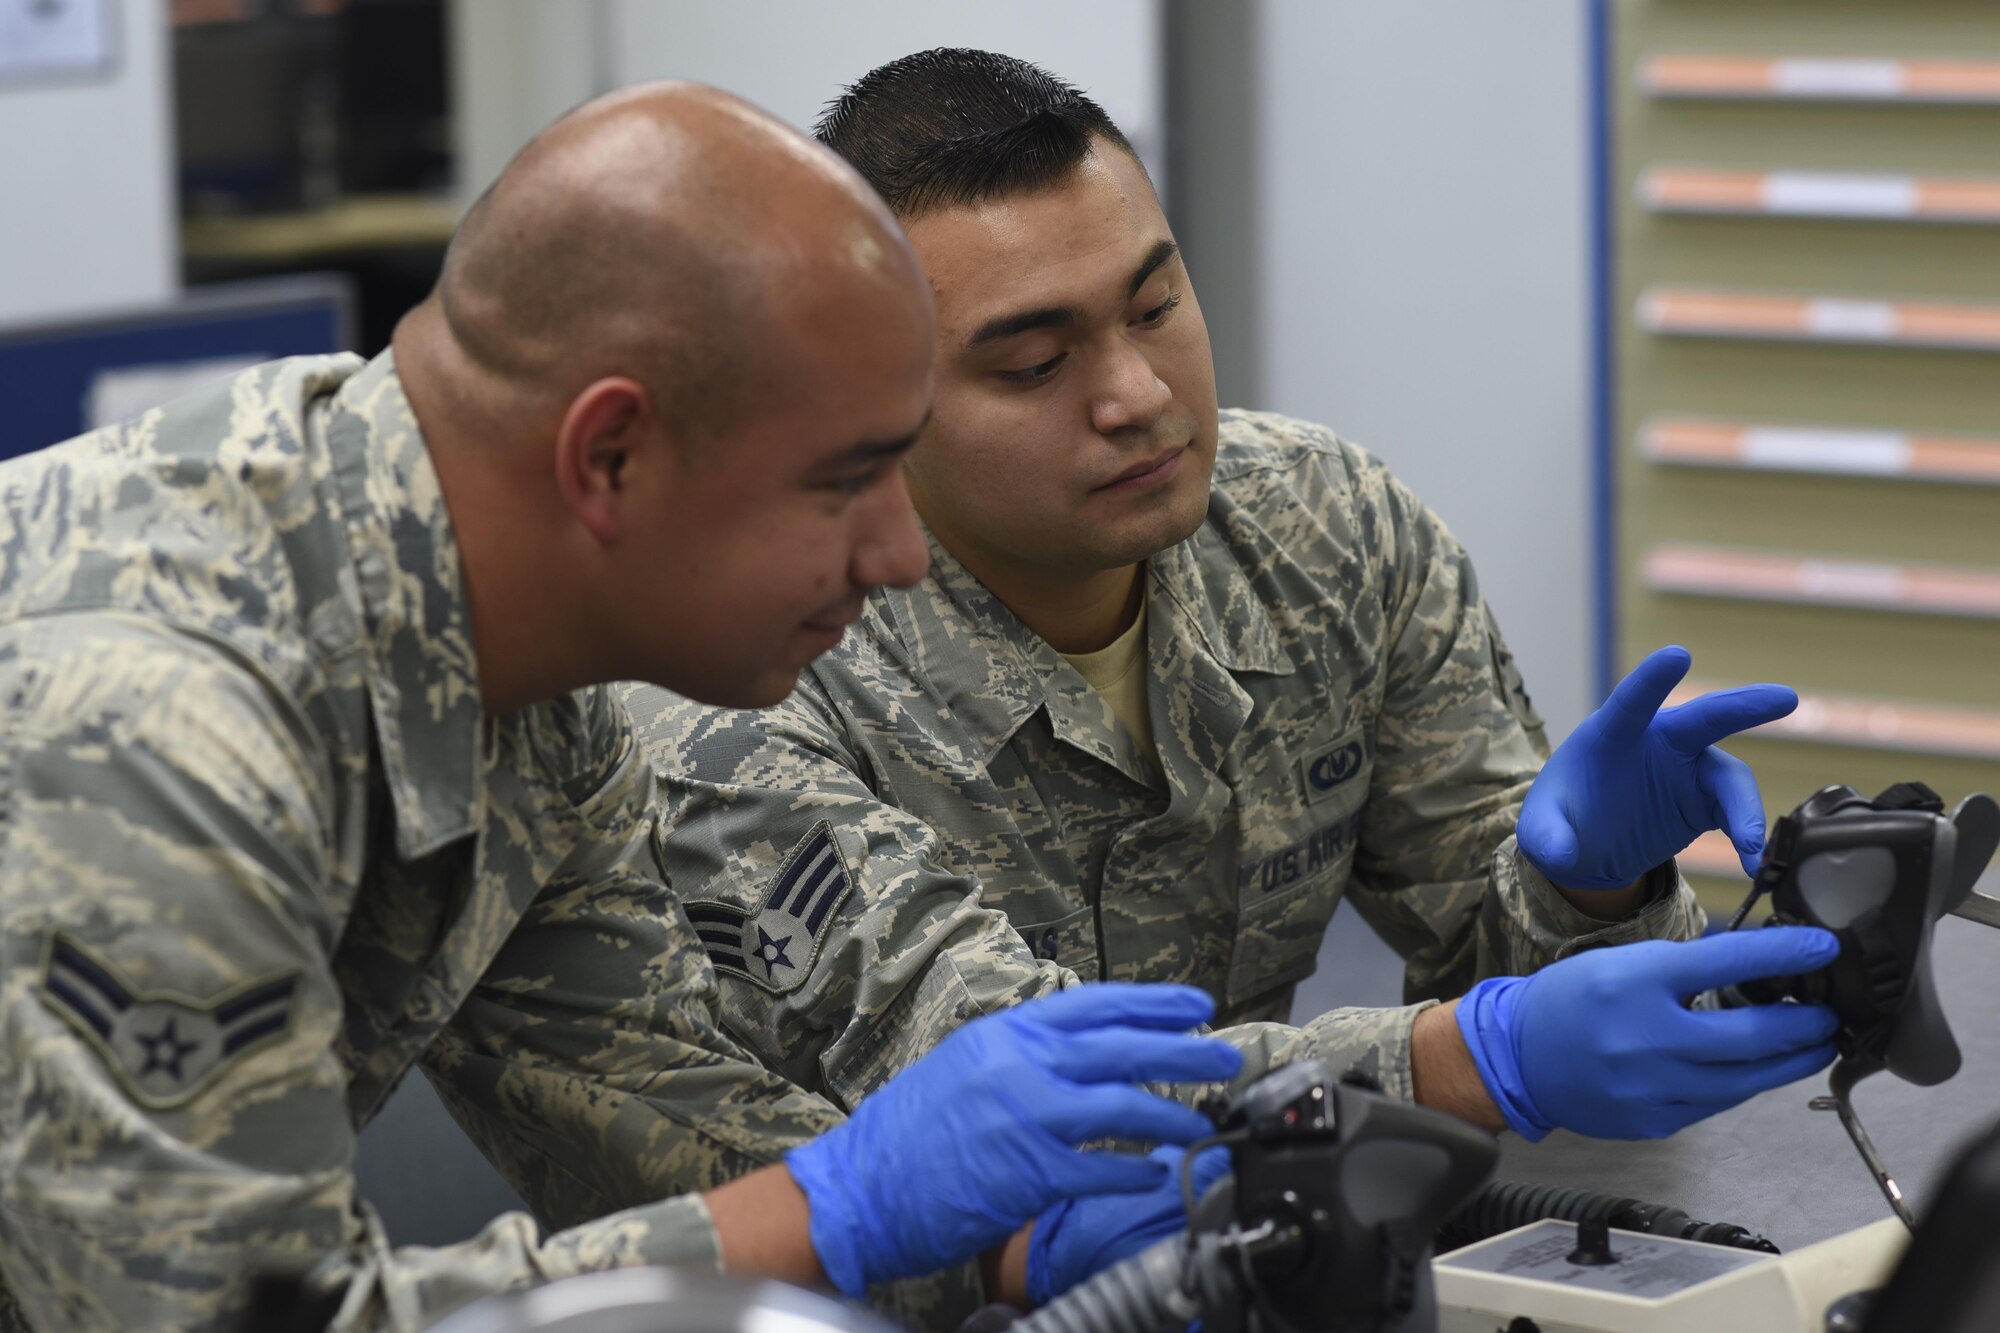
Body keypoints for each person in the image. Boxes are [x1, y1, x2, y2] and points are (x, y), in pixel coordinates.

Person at [0, 82, 1245, 1333]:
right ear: (608, 458)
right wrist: (844, 1208)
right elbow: (232, 1322)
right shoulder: (153, 722)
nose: (898, 554)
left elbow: (663, 1121)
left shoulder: (521, 676)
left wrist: (1005, 1245)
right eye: (844, 481)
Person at [624, 50, 1841, 1168]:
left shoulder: (1325, 529)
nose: (1138, 393)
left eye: (1153, 306)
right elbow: (1011, 1088)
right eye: (1034, 366)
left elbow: (1538, 999)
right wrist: (1467, 1055)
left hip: (1228, 1243)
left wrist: (1588, 894)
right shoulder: (753, 666)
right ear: (871, 396)